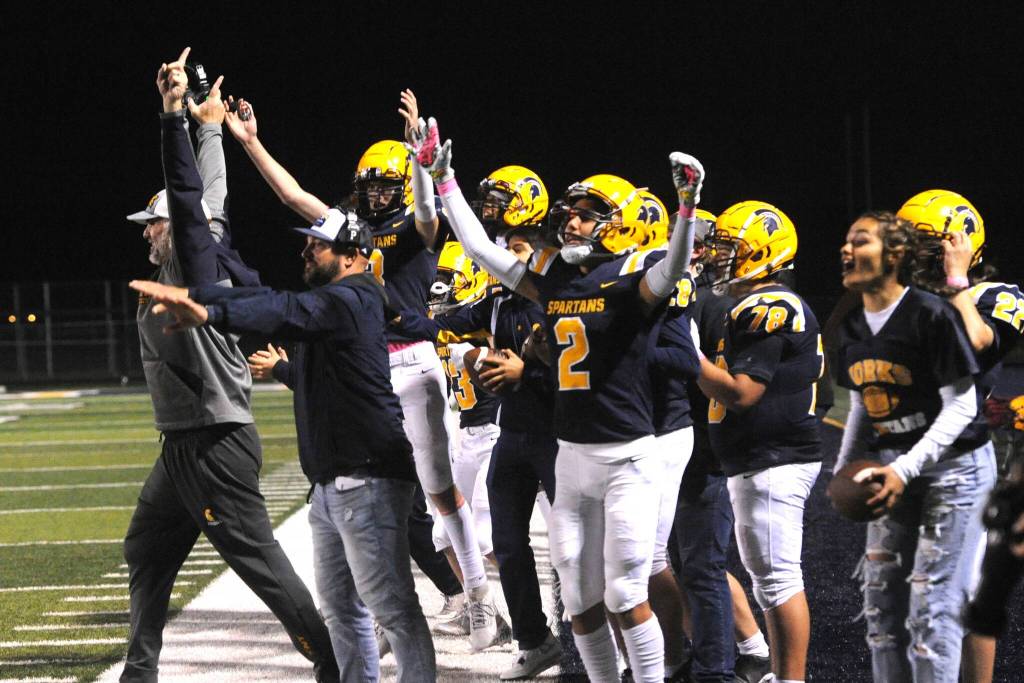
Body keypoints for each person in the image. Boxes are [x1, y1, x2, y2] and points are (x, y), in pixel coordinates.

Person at [410, 115, 704, 683]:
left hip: (628, 457)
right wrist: (444, 182)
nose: (570, 219)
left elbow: (671, 267)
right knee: (577, 591)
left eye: (586, 212)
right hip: (571, 456)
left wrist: (687, 207)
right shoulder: (551, 277)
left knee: (623, 590)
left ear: (618, 226)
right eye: (572, 211)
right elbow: (477, 247)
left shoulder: (630, 278)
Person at [223, 89, 502, 649]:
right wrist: (252, 144)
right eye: (369, 184)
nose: (375, 195)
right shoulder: (350, 228)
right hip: (365, 366)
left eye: (385, 184)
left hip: (416, 365)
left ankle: (477, 597)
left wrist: (421, 161)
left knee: (440, 491)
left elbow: (425, 213)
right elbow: (293, 195)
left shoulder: (418, 228)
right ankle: (380, 606)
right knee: (368, 490)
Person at [131, 207, 437, 683]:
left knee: (392, 607)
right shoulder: (335, 302)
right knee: (340, 612)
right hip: (333, 481)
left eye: (317, 244)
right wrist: (279, 368)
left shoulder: (354, 297)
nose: (305, 249)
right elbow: (271, 302)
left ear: (354, 255)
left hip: (369, 476)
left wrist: (208, 306)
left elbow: (283, 308)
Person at [120, 49, 337, 682]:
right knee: (147, 547)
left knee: (259, 564)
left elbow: (193, 204)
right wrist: (209, 127)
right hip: (184, 442)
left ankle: (334, 658)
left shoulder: (191, 261)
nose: (146, 234)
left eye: (152, 224)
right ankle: (139, 671)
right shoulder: (198, 251)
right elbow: (208, 200)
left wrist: (172, 118)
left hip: (212, 440)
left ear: (175, 225)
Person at [394, 216, 564, 679]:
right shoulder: (490, 306)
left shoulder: (539, 305)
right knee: (469, 537)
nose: (440, 289)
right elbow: (430, 324)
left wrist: (501, 362)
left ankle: (558, 624)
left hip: (513, 434)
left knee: (557, 545)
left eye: (449, 281)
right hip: (493, 435)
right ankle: (511, 621)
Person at [833, 210, 995, 682]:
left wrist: (903, 470)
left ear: (896, 255)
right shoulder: (855, 324)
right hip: (894, 466)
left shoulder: (929, 312)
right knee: (882, 613)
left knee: (933, 610)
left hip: (956, 472)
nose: (846, 249)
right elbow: (863, 402)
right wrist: (843, 468)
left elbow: (964, 407)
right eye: (846, 240)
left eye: (859, 240)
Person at [696, 201, 823, 683]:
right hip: (761, 458)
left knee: (778, 578)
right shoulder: (750, 305)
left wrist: (687, 353)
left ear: (764, 254)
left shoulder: (770, 305)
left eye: (730, 249)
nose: (717, 257)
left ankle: (790, 678)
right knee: (769, 579)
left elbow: (743, 392)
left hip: (774, 459)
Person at [899, 189, 1022, 683]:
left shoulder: (995, 295)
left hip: (963, 459)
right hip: (906, 453)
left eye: (923, 241)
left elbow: (973, 343)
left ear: (960, 244)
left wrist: (956, 278)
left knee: (959, 593)